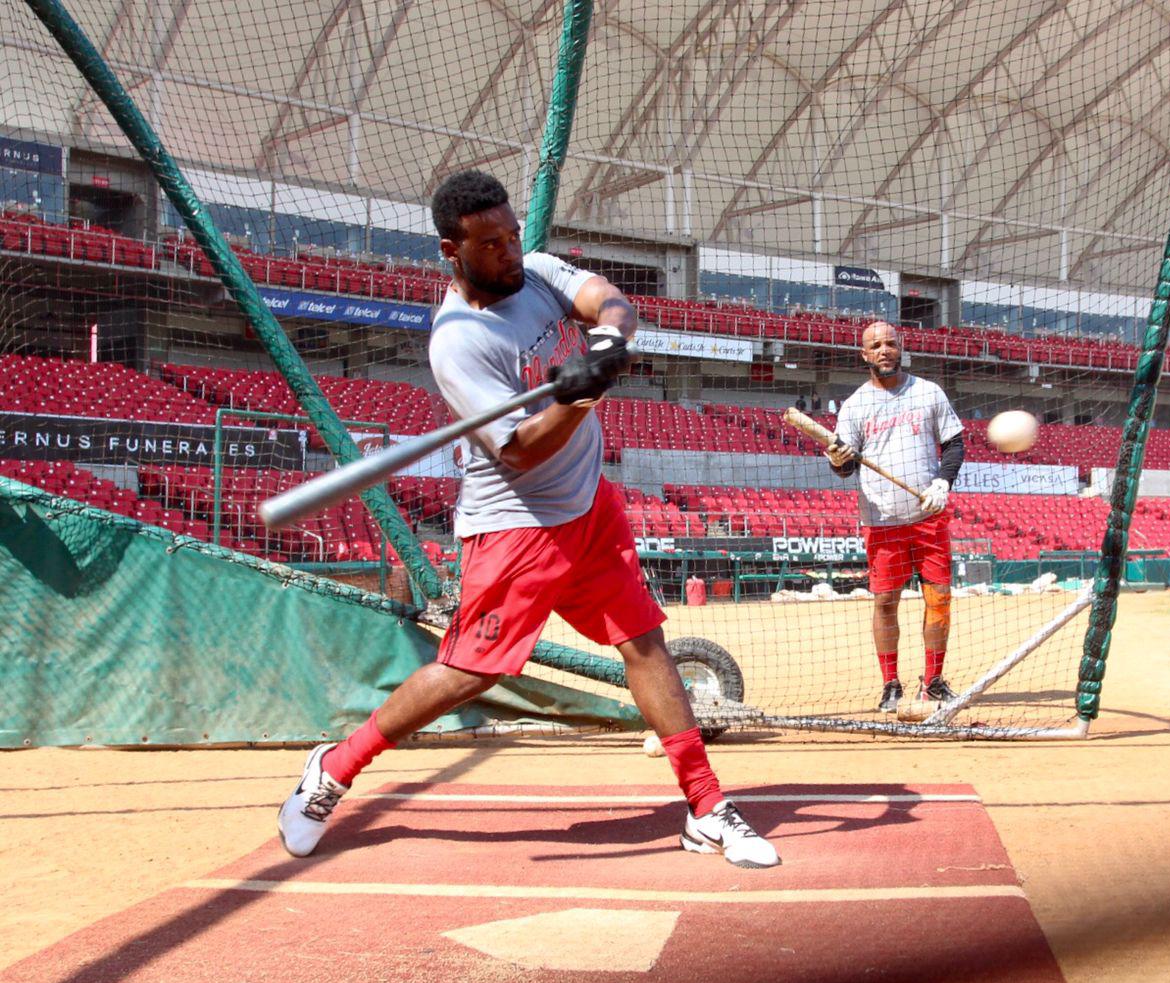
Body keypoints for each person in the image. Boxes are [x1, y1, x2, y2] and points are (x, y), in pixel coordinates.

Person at [278, 171, 778, 869]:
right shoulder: (458, 343)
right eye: (491, 244)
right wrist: (578, 400)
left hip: (589, 507)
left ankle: (706, 806)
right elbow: (519, 451)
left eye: (512, 235)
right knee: (467, 673)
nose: (510, 251)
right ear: (451, 251)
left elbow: (609, 301)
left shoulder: (535, 270)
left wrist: (606, 344)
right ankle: (334, 768)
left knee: (643, 642)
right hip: (517, 523)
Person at [825, 321, 964, 715]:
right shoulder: (855, 406)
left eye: (890, 343)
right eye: (875, 346)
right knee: (886, 601)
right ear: (864, 355)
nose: (883, 350)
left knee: (939, 599)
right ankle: (890, 684)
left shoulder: (928, 392)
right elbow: (845, 468)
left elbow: (954, 443)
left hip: (928, 515)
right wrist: (837, 460)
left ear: (901, 348)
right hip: (882, 520)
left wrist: (943, 482)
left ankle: (933, 682)